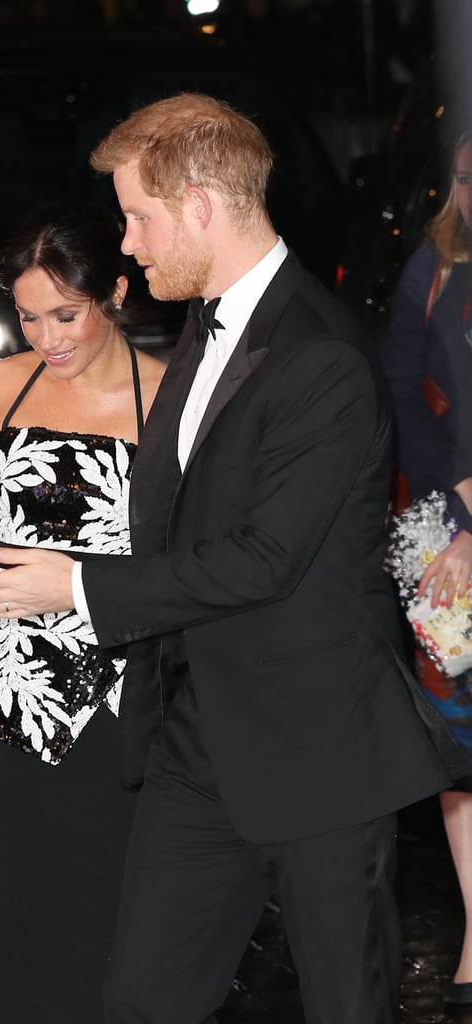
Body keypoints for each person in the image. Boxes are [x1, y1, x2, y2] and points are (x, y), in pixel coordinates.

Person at [0, 93, 472, 1024]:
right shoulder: (202, 328)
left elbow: (262, 557)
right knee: (140, 1001)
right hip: (195, 744)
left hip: (315, 756)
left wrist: (70, 584)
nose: (130, 243)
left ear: (198, 206)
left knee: (347, 1007)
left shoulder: (319, 357)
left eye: (139, 217)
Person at [0, 200, 166, 1023]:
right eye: (27, 317)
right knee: (6, 927)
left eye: (67, 314)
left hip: (111, 700)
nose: (48, 338)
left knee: (103, 928)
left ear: (117, 293)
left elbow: (183, 568)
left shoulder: (169, 403)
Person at [382, 126, 472, 1009]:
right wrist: (427, 515)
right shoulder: (432, 265)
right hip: (438, 529)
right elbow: (402, 388)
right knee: (454, 733)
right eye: (462, 176)